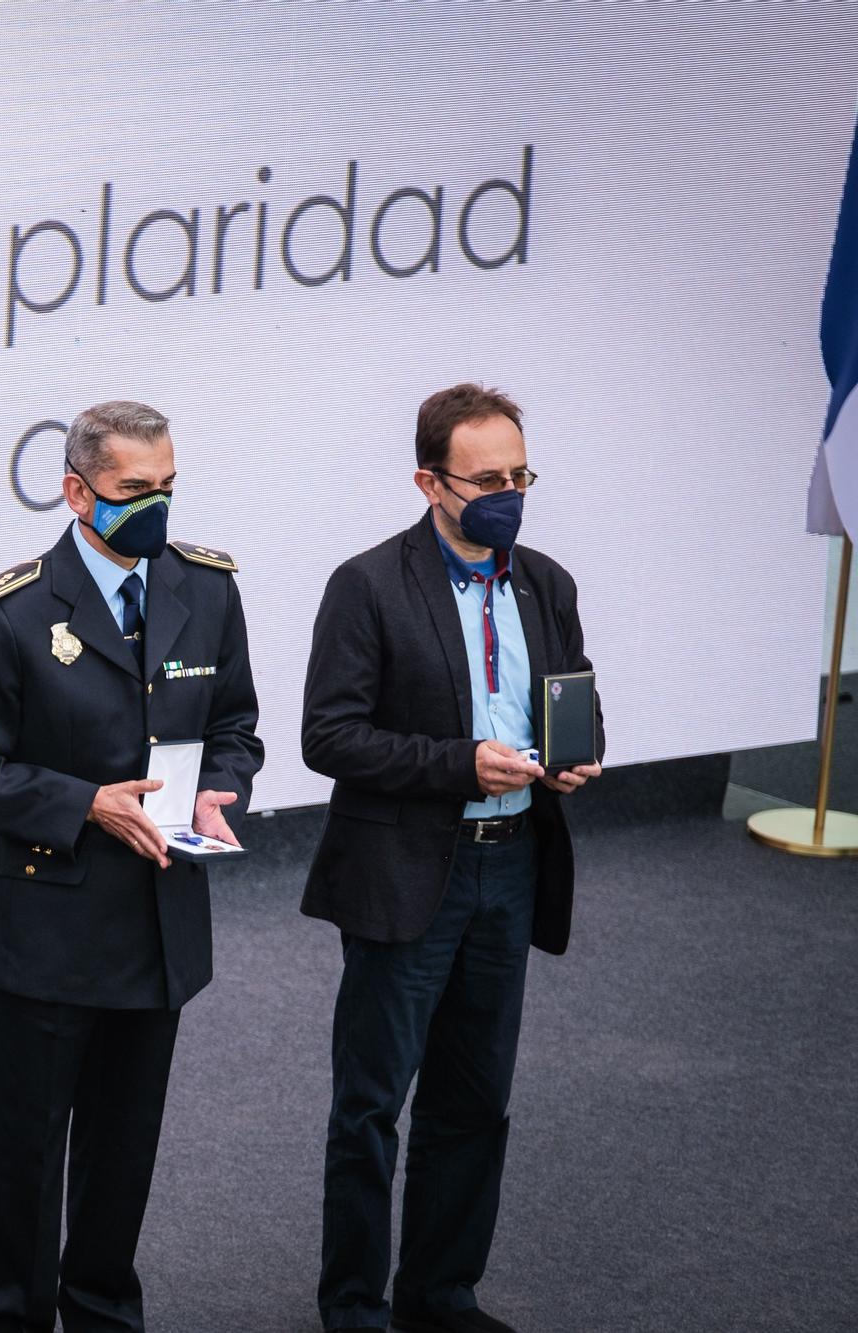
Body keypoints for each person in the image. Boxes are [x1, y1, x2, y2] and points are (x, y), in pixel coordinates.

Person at [0, 400, 264, 1332]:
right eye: (131, 492)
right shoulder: (15, 608)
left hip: (158, 924)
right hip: (48, 927)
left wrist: (219, 790)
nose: (154, 509)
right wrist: (84, 803)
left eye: (166, 489)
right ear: (77, 492)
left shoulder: (205, 587)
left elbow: (235, 724)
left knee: (123, 1159)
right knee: (21, 1162)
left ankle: (105, 1314)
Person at [301, 383, 603, 1333]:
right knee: (372, 1106)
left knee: (477, 1099)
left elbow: (573, 697)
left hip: (511, 865)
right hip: (406, 873)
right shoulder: (369, 584)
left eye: (521, 473)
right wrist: (458, 763)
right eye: (488, 479)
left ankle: (442, 1295)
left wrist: (576, 755)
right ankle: (354, 1304)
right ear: (430, 481)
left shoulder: (546, 580)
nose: (509, 492)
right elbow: (330, 737)